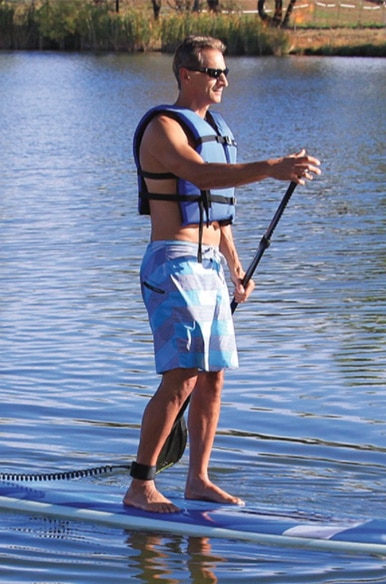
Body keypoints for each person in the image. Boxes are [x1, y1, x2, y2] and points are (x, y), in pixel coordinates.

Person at [125, 35, 321, 513]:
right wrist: (273, 167)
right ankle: (141, 484)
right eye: (215, 72)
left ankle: (198, 479)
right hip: (174, 262)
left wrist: (234, 267)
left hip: (210, 265)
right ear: (187, 74)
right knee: (183, 375)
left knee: (213, 377)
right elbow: (202, 176)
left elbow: (218, 213)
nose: (224, 80)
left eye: (225, 72)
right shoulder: (164, 128)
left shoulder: (215, 127)